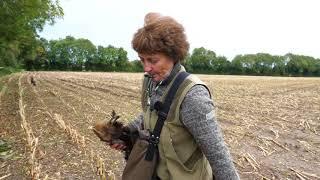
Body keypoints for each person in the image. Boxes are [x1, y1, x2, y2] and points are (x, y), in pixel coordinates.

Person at [111, 12, 240, 180]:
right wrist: (126, 133)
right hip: (158, 173)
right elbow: (152, 113)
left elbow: (217, 152)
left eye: (153, 60)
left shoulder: (193, 95)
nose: (146, 68)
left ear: (173, 55)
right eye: (142, 60)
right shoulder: (152, 81)